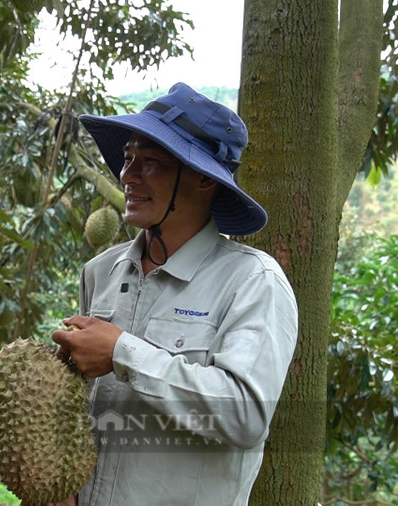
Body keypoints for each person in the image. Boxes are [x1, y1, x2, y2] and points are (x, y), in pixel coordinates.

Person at [49, 83, 298, 505]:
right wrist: (60, 484)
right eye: (128, 159)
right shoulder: (100, 272)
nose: (128, 175)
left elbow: (246, 415)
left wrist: (122, 353)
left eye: (151, 163)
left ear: (203, 180)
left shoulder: (253, 282)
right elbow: (81, 404)